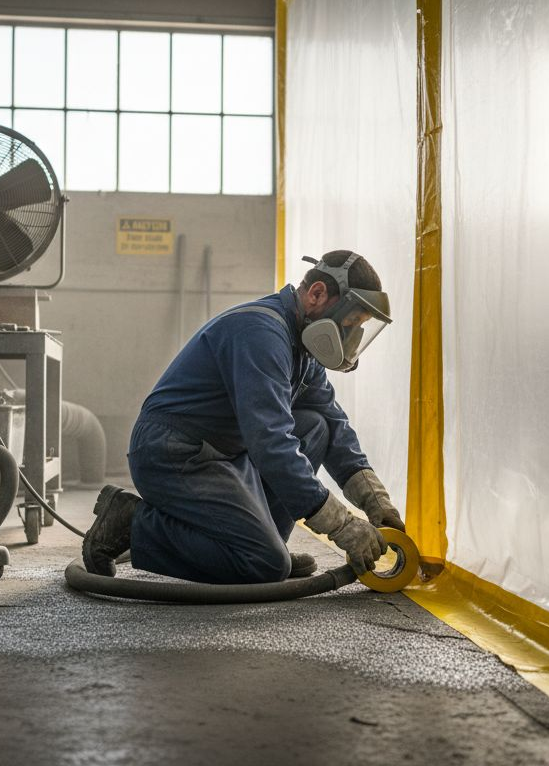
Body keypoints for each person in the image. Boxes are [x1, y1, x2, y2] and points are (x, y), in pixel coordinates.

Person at [82, 250, 405, 584]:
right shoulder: (261, 333)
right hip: (173, 454)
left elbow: (334, 425)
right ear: (317, 294)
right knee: (263, 564)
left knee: (317, 427)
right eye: (349, 324)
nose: (349, 337)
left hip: (221, 453)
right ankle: (131, 523)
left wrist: (376, 502)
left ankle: (265, 544)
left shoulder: (302, 350)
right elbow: (271, 443)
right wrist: (342, 525)